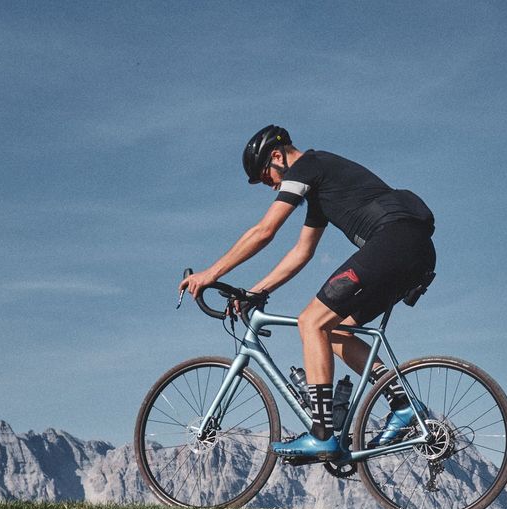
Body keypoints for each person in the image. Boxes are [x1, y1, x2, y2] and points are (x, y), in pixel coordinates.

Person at [180, 125, 435, 460]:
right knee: (335, 330)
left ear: (276, 156)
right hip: (412, 249)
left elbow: (264, 230)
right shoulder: (319, 187)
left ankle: (322, 434)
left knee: (311, 321)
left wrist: (210, 274)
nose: (269, 186)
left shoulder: (308, 166)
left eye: (265, 177)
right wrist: (254, 292)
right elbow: (302, 252)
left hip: (394, 241)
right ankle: (402, 403)